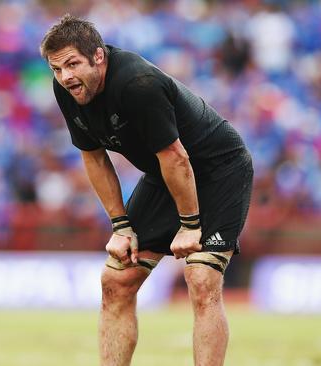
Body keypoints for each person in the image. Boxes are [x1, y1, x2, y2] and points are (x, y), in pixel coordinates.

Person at [40, 14, 253, 366]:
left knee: (201, 278)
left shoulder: (138, 84)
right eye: (57, 69)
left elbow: (177, 157)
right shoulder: (67, 88)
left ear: (98, 55)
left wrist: (190, 224)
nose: (65, 77)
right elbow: (94, 158)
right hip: (165, 173)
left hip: (218, 171)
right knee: (115, 281)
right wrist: (120, 227)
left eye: (73, 65)